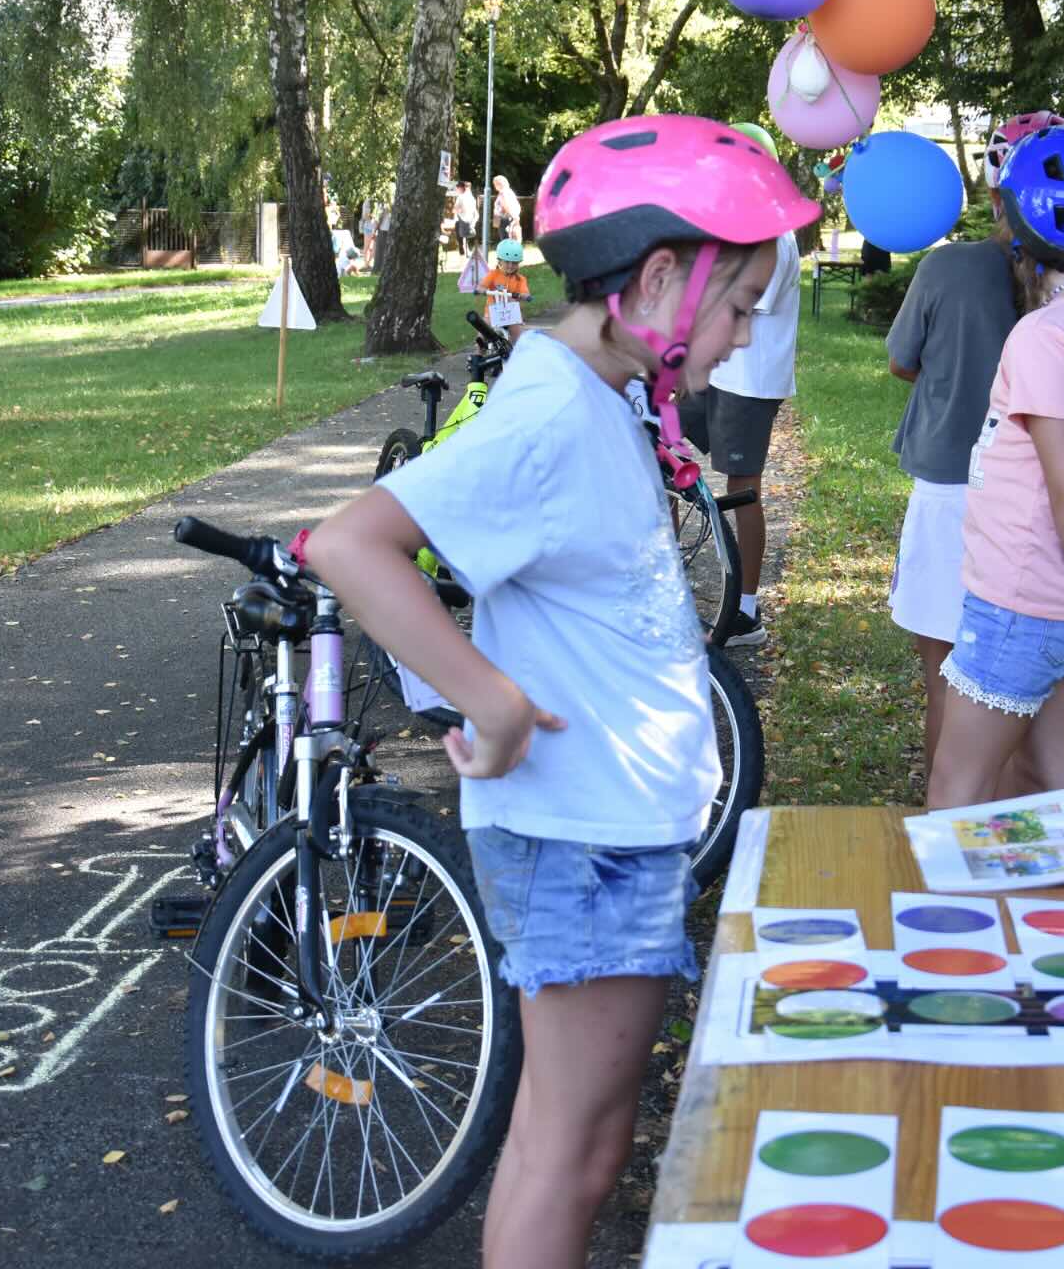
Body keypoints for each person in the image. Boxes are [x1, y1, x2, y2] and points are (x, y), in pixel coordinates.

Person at [302, 114, 814, 1269]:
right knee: (567, 1151)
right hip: (583, 841)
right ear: (661, 278)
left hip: (609, 830)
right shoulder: (548, 413)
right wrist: (486, 698)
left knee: (580, 1143)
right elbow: (350, 545)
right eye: (740, 305)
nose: (745, 334)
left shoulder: (597, 392)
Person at [926, 124, 1064, 809]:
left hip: (1018, 605)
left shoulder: (1043, 336)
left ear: (1018, 231)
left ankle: (946, 894)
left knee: (956, 786)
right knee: (1051, 789)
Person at [885, 166, 1022, 786]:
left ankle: (943, 818)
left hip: (948, 480)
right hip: (1035, 491)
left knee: (944, 671)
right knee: (1019, 685)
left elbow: (901, 360)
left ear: (995, 197)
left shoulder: (948, 266)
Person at [677, 223, 803, 646]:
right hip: (716, 370)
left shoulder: (775, 238)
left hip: (749, 380)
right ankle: (667, 577)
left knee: (743, 487)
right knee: (659, 443)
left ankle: (747, 612)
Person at [480, 238, 533, 343]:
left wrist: (524, 296)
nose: (510, 266)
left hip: (511, 314)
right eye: (507, 262)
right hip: (492, 313)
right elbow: (482, 286)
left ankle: (517, 349)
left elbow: (525, 292)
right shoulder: (493, 275)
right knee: (483, 327)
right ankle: (479, 349)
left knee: (516, 332)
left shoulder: (520, 279)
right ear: (500, 261)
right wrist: (481, 290)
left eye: (514, 263)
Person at [494, 174, 523, 244]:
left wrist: (514, 216)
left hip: (505, 219)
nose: (495, 186)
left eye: (495, 184)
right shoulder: (509, 192)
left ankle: (507, 251)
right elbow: (517, 205)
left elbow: (506, 205)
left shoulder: (503, 193)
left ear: (499, 184)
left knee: (506, 240)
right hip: (507, 218)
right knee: (510, 239)